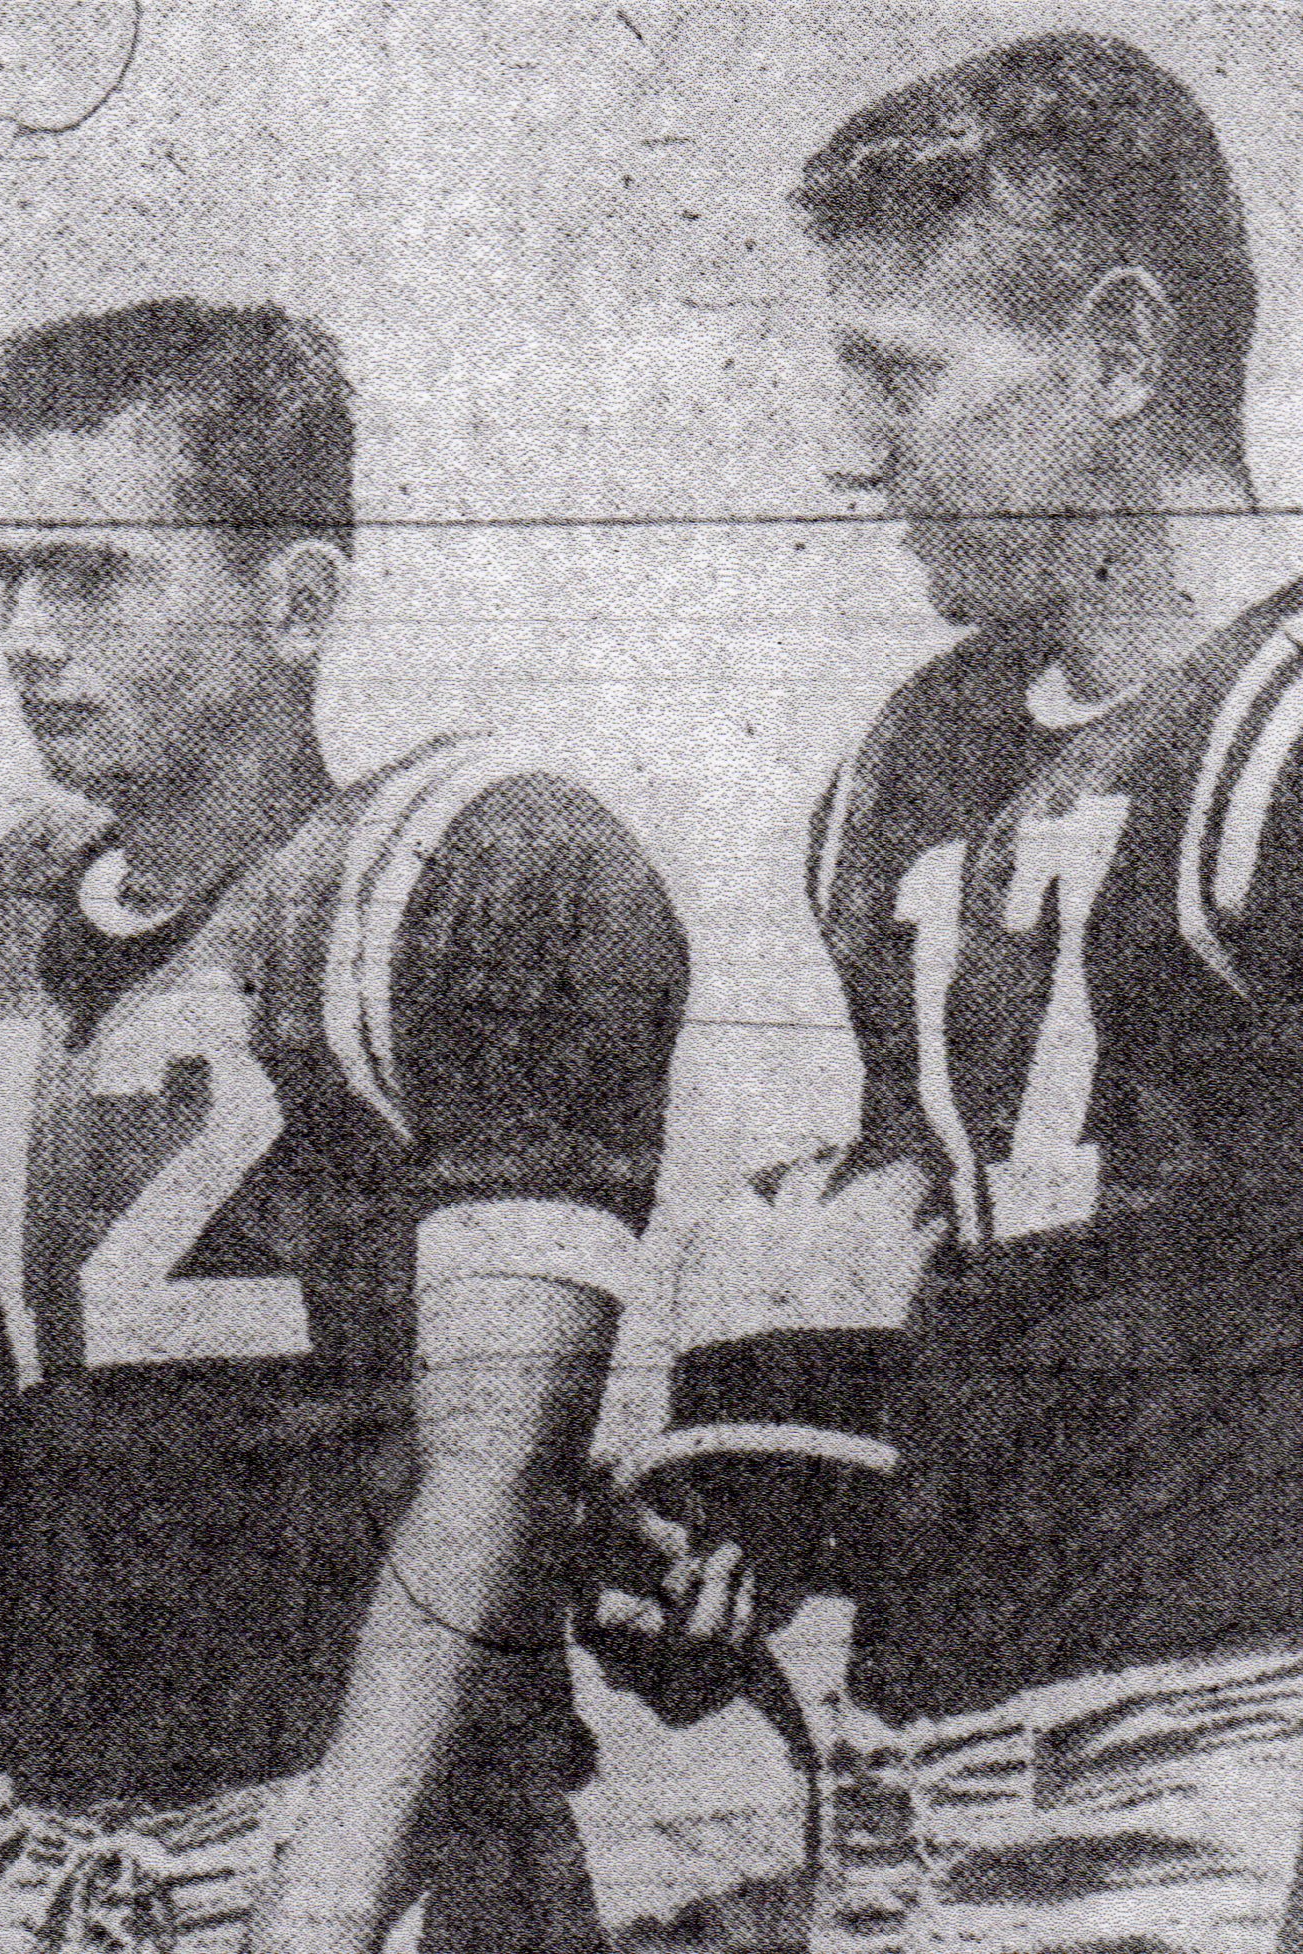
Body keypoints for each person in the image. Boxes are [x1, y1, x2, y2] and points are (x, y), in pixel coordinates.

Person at [587, 33, 1303, 1954]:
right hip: (908, 1772)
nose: (849, 444)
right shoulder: (907, 770)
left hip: (1223, 1757)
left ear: (1120, 351)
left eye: (900, 372)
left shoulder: (1279, 728)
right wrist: (754, 1503)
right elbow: (981, 1243)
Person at [0, 298, 688, 1954]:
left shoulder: (457, 870)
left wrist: (329, 1885)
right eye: (4, 574)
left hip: (359, 1844)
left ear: (292, 597)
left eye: (92, 575)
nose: (27, 633)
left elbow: (493, 1465)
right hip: (43, 1851)